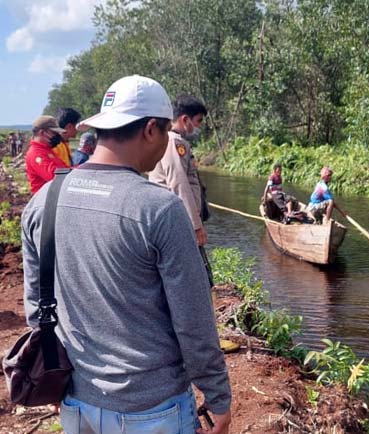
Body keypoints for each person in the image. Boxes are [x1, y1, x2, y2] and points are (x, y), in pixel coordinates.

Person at [21, 75, 231, 434]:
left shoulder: (43, 202)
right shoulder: (159, 209)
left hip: (77, 403)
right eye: (165, 132)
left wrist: (55, 373)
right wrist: (217, 396)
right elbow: (193, 320)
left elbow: (37, 308)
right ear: (151, 129)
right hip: (153, 410)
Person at [149, 95, 208, 246]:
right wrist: (195, 226)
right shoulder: (175, 142)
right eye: (198, 121)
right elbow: (179, 183)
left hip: (178, 217)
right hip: (177, 220)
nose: (199, 126)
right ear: (185, 120)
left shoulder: (172, 141)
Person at [24, 116, 69, 194]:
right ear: (42, 133)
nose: (58, 136)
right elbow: (56, 177)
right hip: (44, 201)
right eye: (54, 133)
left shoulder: (47, 150)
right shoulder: (36, 153)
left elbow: (64, 169)